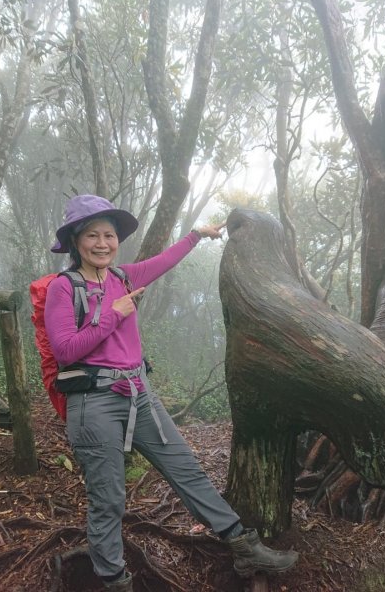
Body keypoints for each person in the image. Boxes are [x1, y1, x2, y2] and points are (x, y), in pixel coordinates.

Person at [44, 194, 298, 591]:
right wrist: (115, 314)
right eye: (92, 235)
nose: (102, 243)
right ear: (76, 241)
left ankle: (242, 545)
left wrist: (196, 235)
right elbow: (65, 350)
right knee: (109, 499)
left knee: (187, 470)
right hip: (93, 403)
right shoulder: (64, 288)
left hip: (139, 394)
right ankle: (114, 581)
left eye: (109, 235)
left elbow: (161, 263)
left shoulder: (123, 277)